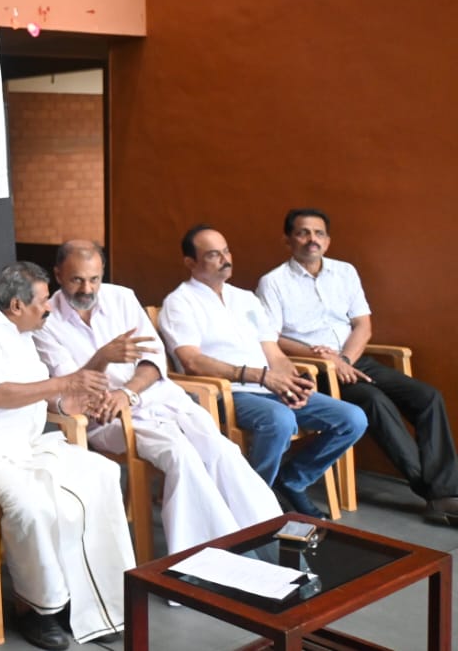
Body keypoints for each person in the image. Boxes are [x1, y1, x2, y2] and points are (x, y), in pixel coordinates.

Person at [33, 241, 280, 557]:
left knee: (221, 451)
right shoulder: (46, 320)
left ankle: (269, 541)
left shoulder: (122, 298)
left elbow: (153, 360)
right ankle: (209, 558)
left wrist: (128, 392)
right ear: (58, 275)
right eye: (76, 280)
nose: (87, 289)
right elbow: (73, 387)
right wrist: (102, 357)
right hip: (106, 418)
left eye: (94, 279)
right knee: (181, 455)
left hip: (154, 398)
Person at [0, 261, 129, 649]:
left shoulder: (24, 334)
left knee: (103, 474)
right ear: (16, 305)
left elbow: (42, 397)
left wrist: (74, 400)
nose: (48, 308)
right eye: (43, 301)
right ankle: (36, 608)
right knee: (33, 505)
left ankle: (94, 597)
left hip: (27, 445)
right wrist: (65, 382)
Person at [257, 208, 458, 525]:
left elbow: (362, 324)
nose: (312, 239)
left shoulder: (345, 272)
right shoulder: (273, 282)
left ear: (328, 240)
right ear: (288, 240)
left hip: (352, 358)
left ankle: (444, 490)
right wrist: (324, 358)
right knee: (373, 400)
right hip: (314, 368)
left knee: (427, 396)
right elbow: (271, 337)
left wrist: (346, 360)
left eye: (319, 233)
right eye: (303, 232)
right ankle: (437, 495)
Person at [159, 225, 366, 518]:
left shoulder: (245, 298)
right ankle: (253, 506)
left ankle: (289, 482)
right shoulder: (180, 302)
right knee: (279, 420)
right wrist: (258, 376)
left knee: (352, 419)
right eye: (213, 255)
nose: (225, 259)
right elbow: (192, 361)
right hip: (223, 392)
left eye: (226, 251)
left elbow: (273, 352)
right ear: (190, 263)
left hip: (270, 387)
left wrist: (294, 382)